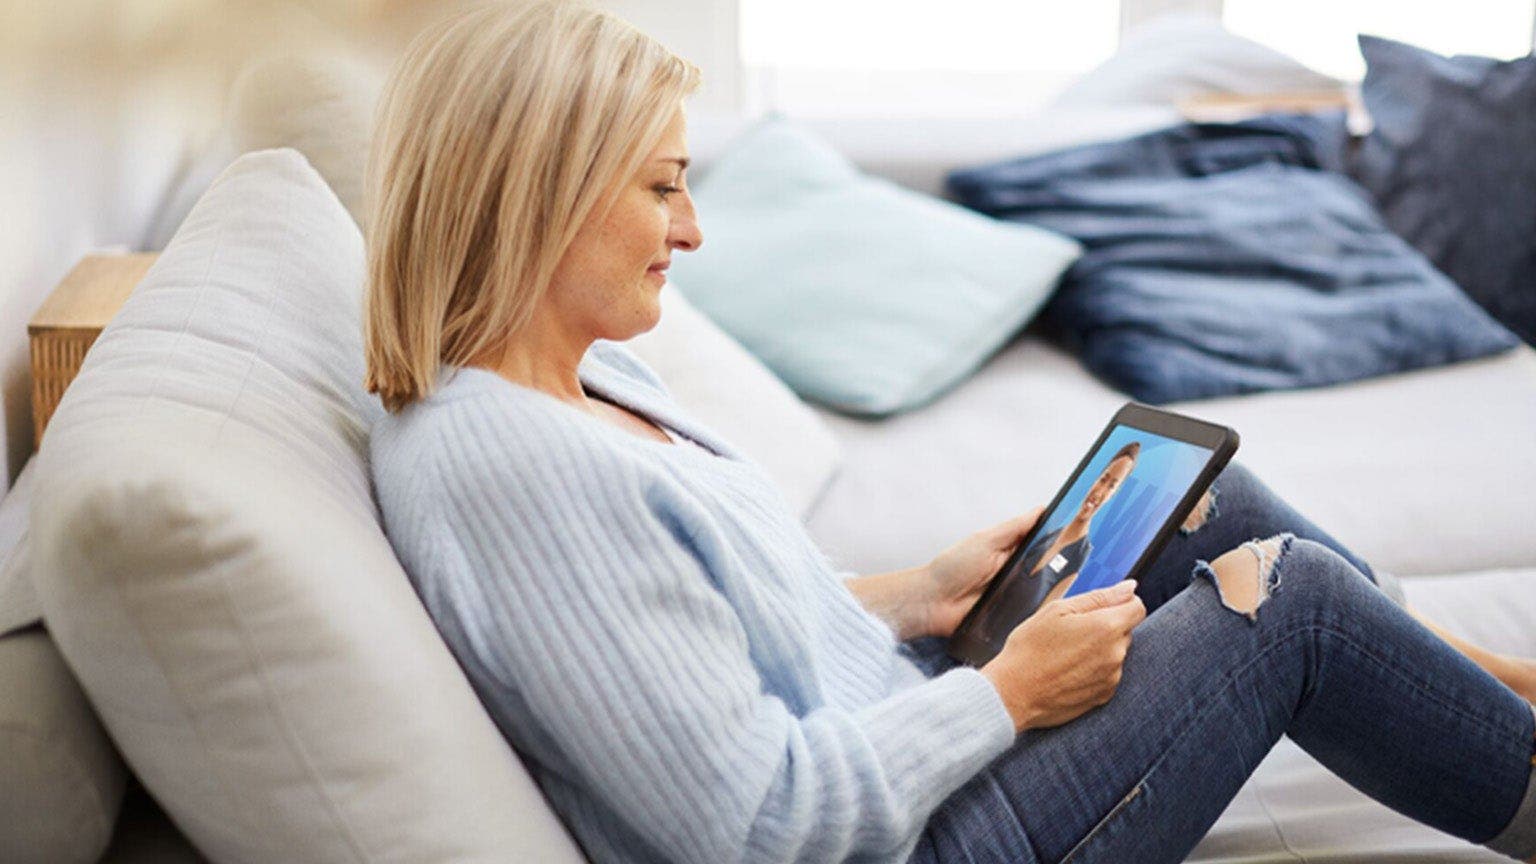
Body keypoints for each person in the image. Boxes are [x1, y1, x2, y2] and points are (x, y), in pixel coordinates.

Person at [362, 4, 1536, 862]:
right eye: (663, 187)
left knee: (1200, 502)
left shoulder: (587, 381)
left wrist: (914, 596)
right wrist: (1010, 694)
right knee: (1287, 598)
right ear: (544, 190)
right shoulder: (505, 468)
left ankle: (1502, 706)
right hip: (936, 838)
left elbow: (709, 622)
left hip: (909, 734)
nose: (693, 230)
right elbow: (758, 828)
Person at [972, 442, 1139, 645]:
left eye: (1111, 485)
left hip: (998, 655)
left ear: (1114, 494)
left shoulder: (1078, 555)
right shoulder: (1046, 535)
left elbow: (1039, 623)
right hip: (971, 634)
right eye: (1103, 479)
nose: (1101, 490)